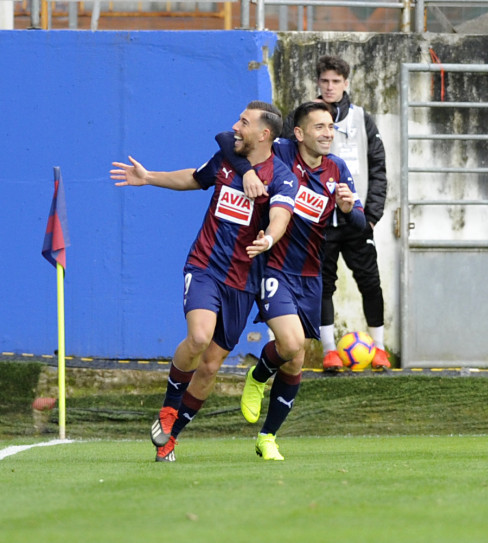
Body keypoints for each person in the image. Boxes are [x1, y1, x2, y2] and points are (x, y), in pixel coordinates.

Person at [110, 101, 297, 463]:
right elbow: (195, 178)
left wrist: (270, 239)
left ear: (265, 134)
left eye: (244, 122)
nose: (235, 126)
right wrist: (149, 177)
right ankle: (168, 408)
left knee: (210, 365)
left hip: (243, 282)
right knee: (198, 336)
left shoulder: (282, 176)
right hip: (205, 266)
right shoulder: (229, 157)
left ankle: (170, 436)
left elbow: (281, 216)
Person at [214, 100, 366, 460]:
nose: (328, 133)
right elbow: (225, 139)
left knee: (296, 360)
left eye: (331, 127)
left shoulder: (338, 169)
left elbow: (359, 224)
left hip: (311, 275)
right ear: (298, 134)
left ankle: (268, 437)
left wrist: (347, 210)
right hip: (275, 268)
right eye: (319, 127)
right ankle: (256, 378)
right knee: (292, 342)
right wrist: (247, 171)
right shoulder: (280, 152)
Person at [282, 55, 390, 372]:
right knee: (323, 285)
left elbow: (379, 168)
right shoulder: (302, 117)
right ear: (318, 82)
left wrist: (371, 215)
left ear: (346, 83)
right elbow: (285, 158)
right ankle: (330, 351)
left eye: (336, 81)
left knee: (370, 283)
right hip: (317, 223)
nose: (330, 87)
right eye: (325, 81)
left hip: (355, 220)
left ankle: (380, 349)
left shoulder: (361, 119)